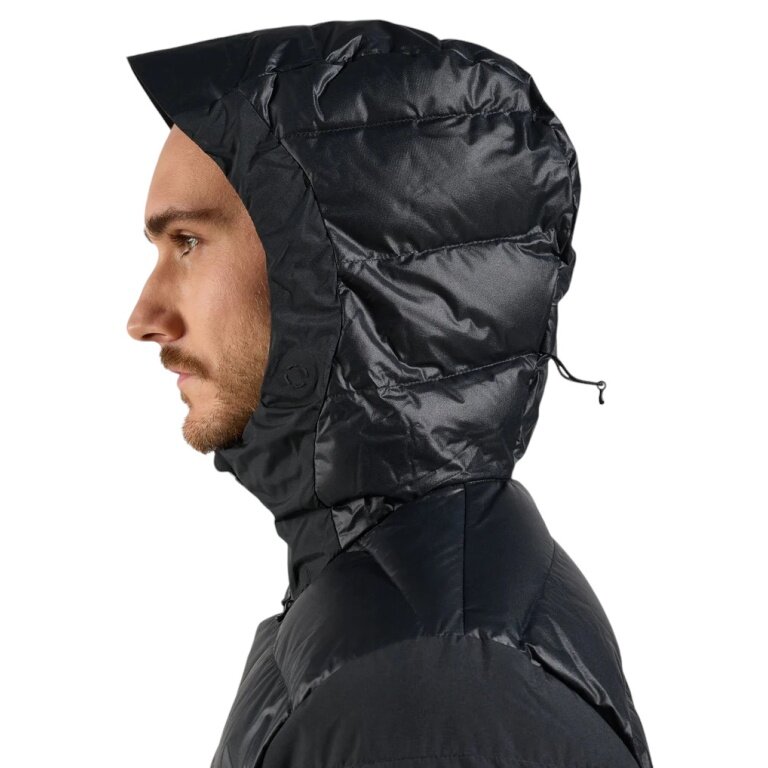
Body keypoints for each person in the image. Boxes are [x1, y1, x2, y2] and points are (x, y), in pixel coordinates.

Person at [126, 19, 654, 768]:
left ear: (332, 268)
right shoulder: (409, 613)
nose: (143, 317)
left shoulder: (433, 691)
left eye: (188, 243)